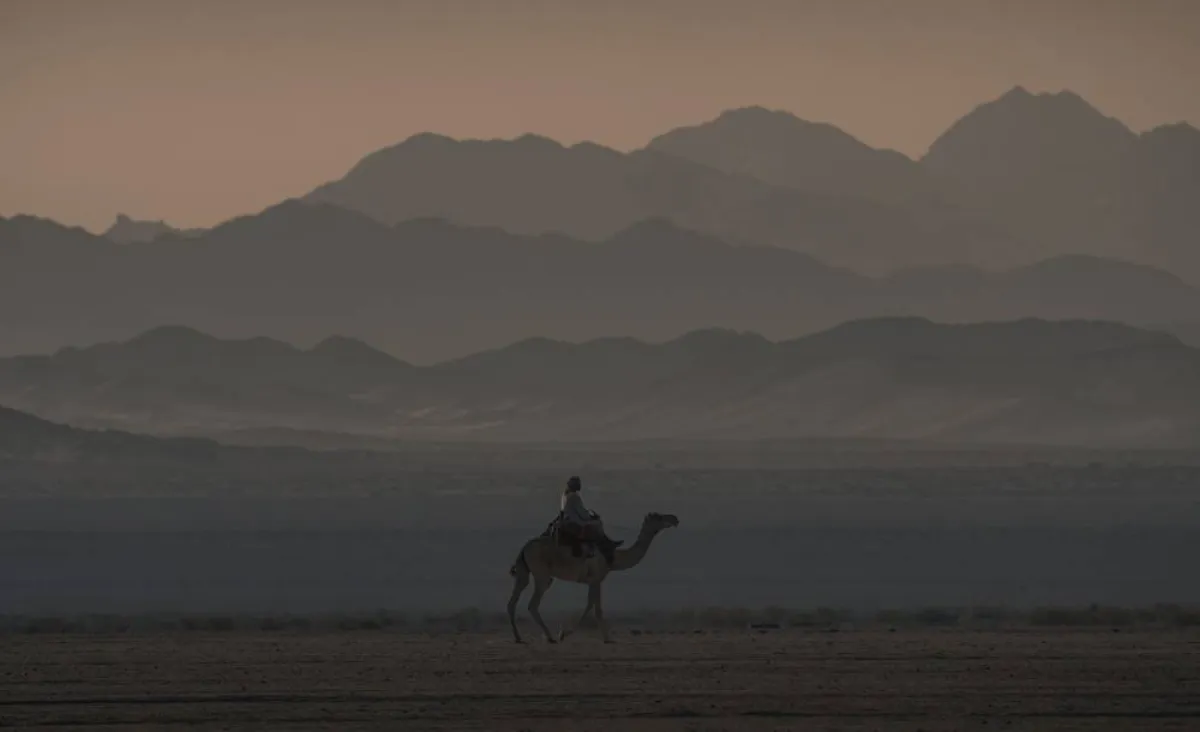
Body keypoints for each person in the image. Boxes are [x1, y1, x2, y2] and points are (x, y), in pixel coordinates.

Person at [558, 475, 622, 559]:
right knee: (597, 523)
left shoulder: (564, 495)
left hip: (567, 520)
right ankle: (606, 546)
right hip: (575, 521)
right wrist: (592, 516)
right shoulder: (574, 497)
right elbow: (582, 513)